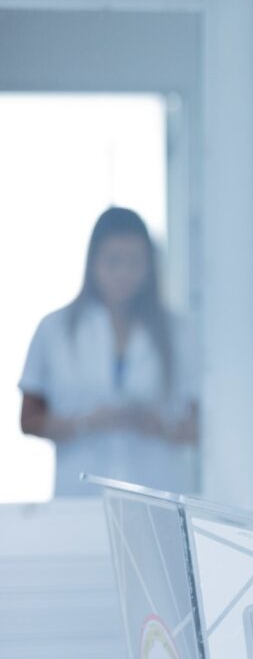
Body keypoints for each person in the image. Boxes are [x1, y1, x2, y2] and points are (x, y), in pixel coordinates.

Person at [20, 206, 199, 496]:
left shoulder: (179, 331)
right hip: (79, 496)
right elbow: (28, 420)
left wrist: (158, 427)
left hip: (158, 492)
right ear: (93, 263)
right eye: (113, 262)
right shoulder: (55, 329)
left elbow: (201, 426)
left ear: (149, 266)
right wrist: (87, 422)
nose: (124, 274)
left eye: (135, 262)